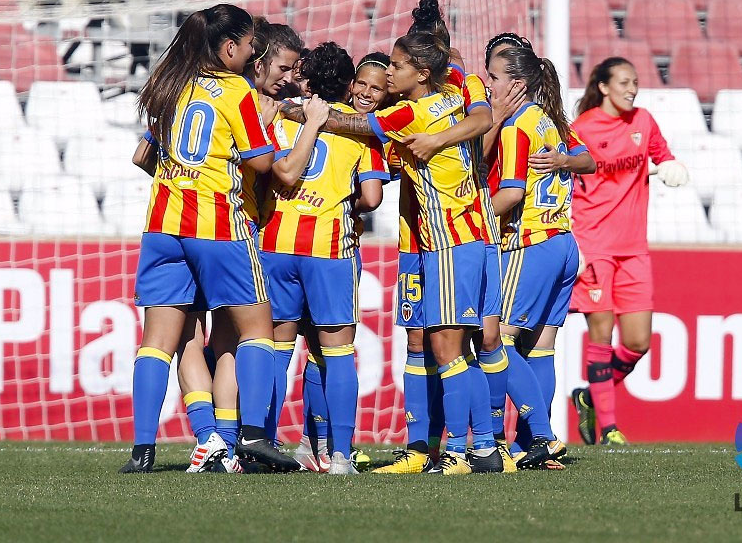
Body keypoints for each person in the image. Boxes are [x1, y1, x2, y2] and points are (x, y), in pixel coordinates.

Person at [281, 32, 500, 475]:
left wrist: (298, 109)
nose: (385, 76)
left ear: (419, 72)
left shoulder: (405, 113)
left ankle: (472, 447)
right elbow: (479, 109)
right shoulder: (460, 84)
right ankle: (422, 449)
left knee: (455, 345)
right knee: (422, 342)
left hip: (455, 236)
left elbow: (359, 133)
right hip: (420, 242)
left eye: (393, 70)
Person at [121, 4, 300, 474]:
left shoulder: (169, 83)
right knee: (257, 329)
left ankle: (143, 451)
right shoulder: (236, 90)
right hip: (218, 225)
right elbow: (263, 163)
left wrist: (181, 174)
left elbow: (143, 157)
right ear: (228, 48)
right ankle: (257, 437)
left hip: (162, 225)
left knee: (158, 342)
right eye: (247, 47)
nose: (250, 55)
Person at [260, 42, 389, 474]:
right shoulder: (361, 131)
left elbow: (266, 175)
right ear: (348, 84)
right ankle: (339, 455)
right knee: (335, 352)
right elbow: (371, 197)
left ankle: (264, 442)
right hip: (329, 250)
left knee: (276, 349)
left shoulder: (281, 117)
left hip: (277, 244)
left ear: (307, 78)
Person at [547, 57, 689, 446]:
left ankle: (589, 396)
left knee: (639, 342)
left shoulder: (643, 121)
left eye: (636, 81)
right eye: (624, 82)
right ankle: (609, 429)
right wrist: (573, 241)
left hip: (634, 249)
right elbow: (564, 182)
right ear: (605, 87)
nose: (632, 88)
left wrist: (672, 166)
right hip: (594, 245)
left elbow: (663, 157)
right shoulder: (584, 129)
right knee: (601, 333)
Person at [487, 47, 595, 468]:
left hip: (529, 242)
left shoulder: (517, 128)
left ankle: (544, 437)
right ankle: (534, 443)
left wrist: (465, 217)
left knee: (496, 338)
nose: (488, 84)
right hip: (564, 243)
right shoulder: (548, 121)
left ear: (515, 83)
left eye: (493, 76)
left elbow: (512, 192)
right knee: (541, 349)